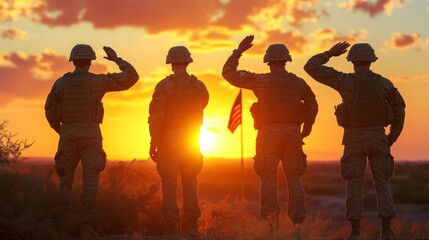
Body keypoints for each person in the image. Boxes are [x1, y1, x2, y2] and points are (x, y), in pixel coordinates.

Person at [304, 42, 406, 240]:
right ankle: (387, 231)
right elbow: (400, 111)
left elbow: (310, 67)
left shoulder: (344, 81)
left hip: (354, 138)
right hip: (378, 137)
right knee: (382, 183)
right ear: (371, 60)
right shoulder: (384, 83)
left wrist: (329, 53)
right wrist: (390, 138)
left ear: (351, 61)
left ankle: (355, 233)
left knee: (354, 183)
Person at [222, 35, 318, 234]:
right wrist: (306, 129)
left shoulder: (259, 80)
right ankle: (298, 226)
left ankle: (271, 226)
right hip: (292, 134)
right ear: (286, 60)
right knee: (295, 179)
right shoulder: (298, 83)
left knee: (268, 178)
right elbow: (312, 104)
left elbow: (228, 74)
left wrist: (238, 51)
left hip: (268, 134)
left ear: (268, 61)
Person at [44, 44, 139, 238]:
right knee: (90, 183)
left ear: (73, 60)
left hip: (68, 136)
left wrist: (61, 130)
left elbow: (49, 110)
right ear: (90, 61)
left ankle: (62, 227)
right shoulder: (97, 82)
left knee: (64, 182)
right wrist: (117, 59)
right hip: (91, 135)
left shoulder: (60, 83)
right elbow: (132, 77)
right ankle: (86, 229)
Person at [148, 46, 209, 237]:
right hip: (191, 139)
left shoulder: (164, 86)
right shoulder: (199, 86)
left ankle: (172, 228)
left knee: (169, 182)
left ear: (171, 63)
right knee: (191, 181)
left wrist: (154, 141)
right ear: (188, 61)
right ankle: (192, 227)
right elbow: (203, 104)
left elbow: (156, 117)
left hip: (170, 139)